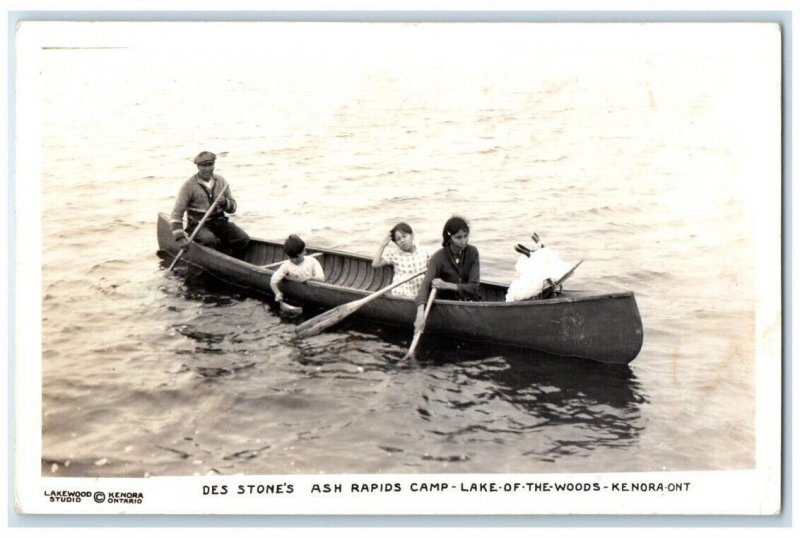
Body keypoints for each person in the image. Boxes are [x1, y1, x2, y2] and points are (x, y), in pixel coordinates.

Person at [169, 150, 250, 258]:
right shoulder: (188, 186)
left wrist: (225, 203)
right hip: (198, 225)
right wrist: (180, 238)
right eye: (204, 166)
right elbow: (176, 214)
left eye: (210, 164)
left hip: (220, 223)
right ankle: (220, 258)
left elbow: (233, 208)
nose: (208, 168)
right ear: (198, 167)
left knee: (243, 239)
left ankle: (232, 260)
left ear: (214, 164)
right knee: (210, 240)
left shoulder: (221, 181)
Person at [413, 216, 481, 331]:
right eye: (458, 237)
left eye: (466, 236)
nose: (464, 241)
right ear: (449, 238)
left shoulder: (472, 252)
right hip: (447, 305)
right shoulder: (437, 258)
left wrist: (447, 285)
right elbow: (425, 286)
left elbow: (474, 287)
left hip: (469, 301)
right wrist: (420, 315)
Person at [371, 222, 431, 298]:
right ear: (396, 243)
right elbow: (375, 264)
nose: (402, 241)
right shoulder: (394, 254)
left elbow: (432, 269)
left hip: (421, 291)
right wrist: (383, 245)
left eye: (404, 236)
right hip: (403, 293)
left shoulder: (424, 251)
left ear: (412, 236)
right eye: (398, 239)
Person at [270, 234, 325, 303]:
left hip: (311, 292)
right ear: (288, 255)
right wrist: (277, 293)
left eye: (297, 258)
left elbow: (321, 278)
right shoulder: (286, 265)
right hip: (300, 295)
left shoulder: (312, 261)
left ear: (304, 251)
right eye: (291, 258)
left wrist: (310, 278)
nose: (294, 261)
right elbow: (273, 282)